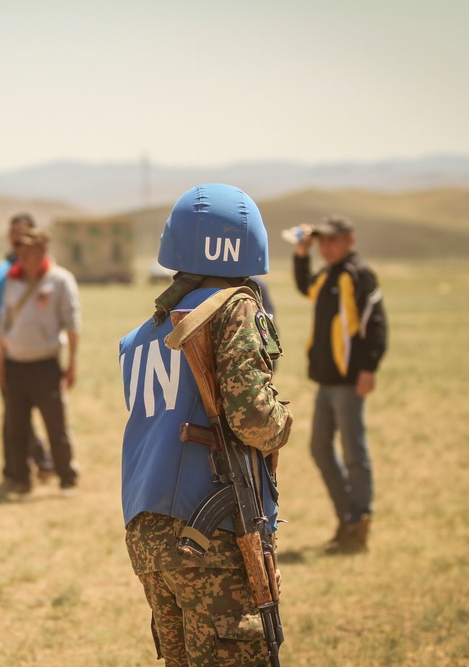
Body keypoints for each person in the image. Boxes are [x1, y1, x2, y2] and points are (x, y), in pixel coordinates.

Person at [119, 184, 293, 666]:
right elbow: (254, 418)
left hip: (148, 532)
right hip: (209, 533)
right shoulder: (234, 307)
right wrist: (284, 424)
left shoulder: (142, 335)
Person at [293, 215, 387, 554]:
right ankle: (347, 517)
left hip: (349, 380)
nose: (326, 247)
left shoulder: (358, 274)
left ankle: (358, 525)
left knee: (353, 452)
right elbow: (306, 287)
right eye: (322, 242)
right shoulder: (328, 275)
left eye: (332, 240)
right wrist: (301, 254)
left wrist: (368, 368)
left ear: (350, 239)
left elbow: (375, 323)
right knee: (320, 448)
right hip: (325, 381)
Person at [0, 227, 80, 494]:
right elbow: (4, 323)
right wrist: (0, 361)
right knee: (16, 427)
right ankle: (21, 478)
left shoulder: (59, 280)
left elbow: (72, 324)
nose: (24, 256)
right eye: (20, 251)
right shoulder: (12, 280)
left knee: (56, 425)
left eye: (30, 251)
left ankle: (67, 477)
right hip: (15, 362)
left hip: (45, 363)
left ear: (43, 250)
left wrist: (72, 362)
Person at [0, 214, 55, 481]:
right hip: (2, 346)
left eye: (23, 232)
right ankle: (17, 466)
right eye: (14, 232)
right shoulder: (2, 270)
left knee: (24, 413)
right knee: (12, 412)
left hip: (33, 352)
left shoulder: (43, 273)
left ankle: (39, 461)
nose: (18, 238)